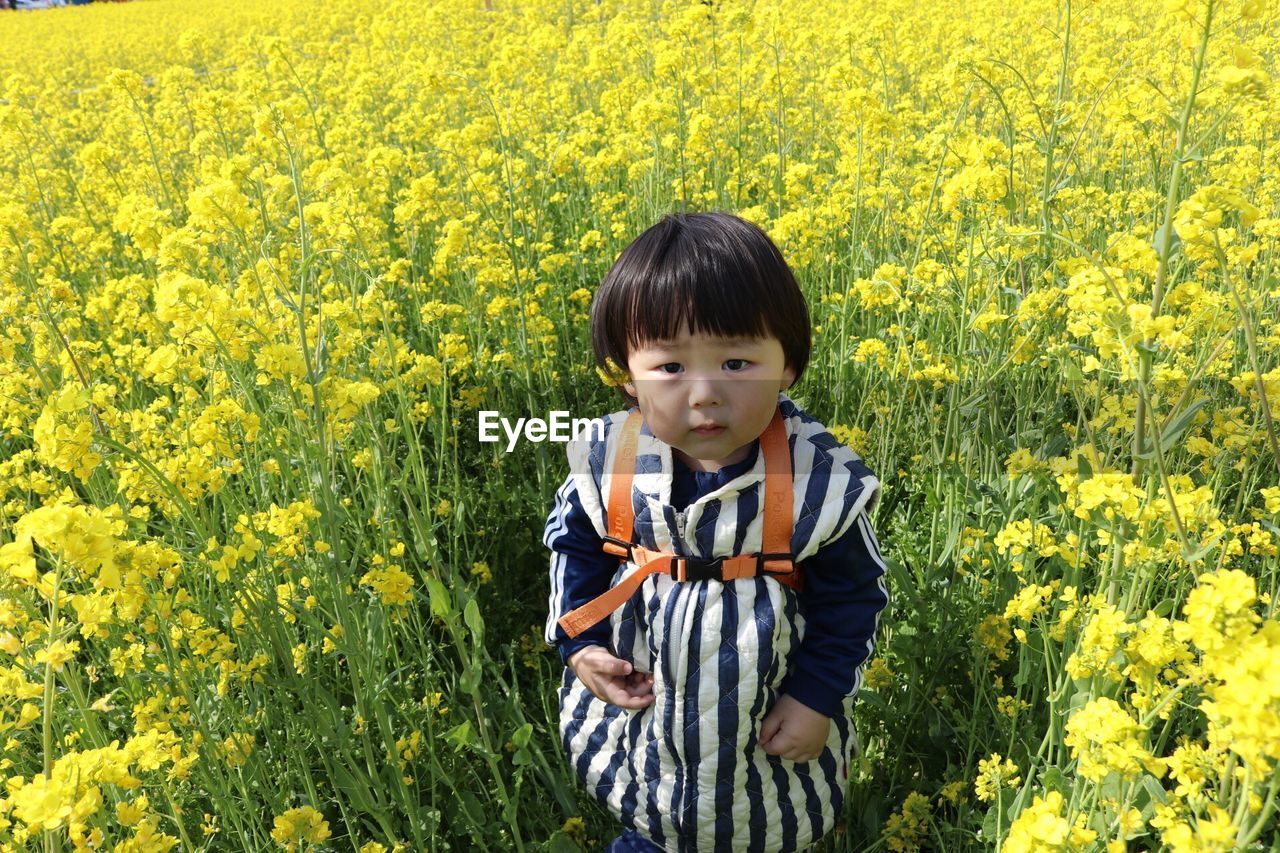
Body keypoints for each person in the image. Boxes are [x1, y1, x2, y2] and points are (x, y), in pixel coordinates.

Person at [543, 211, 890, 852]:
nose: (703, 394)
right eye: (669, 368)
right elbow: (575, 552)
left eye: (736, 362)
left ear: (788, 363)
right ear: (627, 377)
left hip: (767, 724)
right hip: (647, 716)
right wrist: (581, 645)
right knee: (649, 812)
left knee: (768, 822)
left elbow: (855, 599)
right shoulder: (611, 461)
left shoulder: (815, 479)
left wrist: (816, 698)